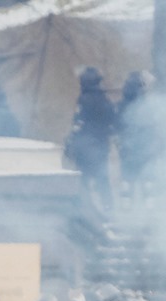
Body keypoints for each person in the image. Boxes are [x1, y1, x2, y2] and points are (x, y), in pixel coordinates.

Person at [64, 66, 115, 213]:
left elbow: (78, 123)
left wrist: (70, 141)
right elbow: (111, 121)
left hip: (86, 146)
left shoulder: (84, 100)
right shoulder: (105, 100)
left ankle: (85, 208)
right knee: (102, 178)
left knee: (84, 179)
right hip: (102, 145)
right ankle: (108, 207)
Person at [116, 71, 159, 207]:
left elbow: (117, 125)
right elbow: (153, 126)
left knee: (127, 178)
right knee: (147, 178)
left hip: (127, 148)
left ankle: (126, 206)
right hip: (145, 148)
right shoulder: (147, 106)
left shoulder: (121, 105)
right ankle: (149, 206)